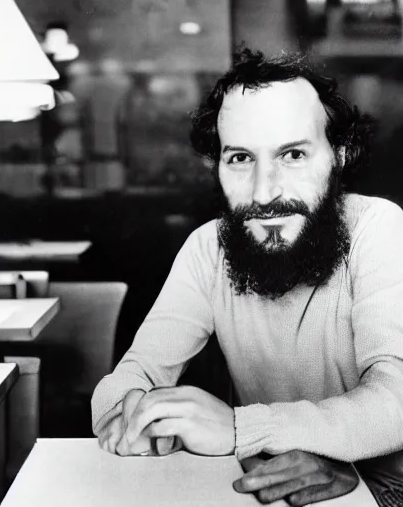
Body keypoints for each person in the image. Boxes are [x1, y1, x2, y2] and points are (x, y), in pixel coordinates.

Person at [91, 48, 403, 506]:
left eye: (293, 154)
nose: (264, 192)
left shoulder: (379, 227)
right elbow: (130, 376)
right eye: (240, 159)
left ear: (338, 155)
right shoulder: (208, 247)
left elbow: (397, 401)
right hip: (268, 484)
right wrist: (135, 419)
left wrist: (240, 430)